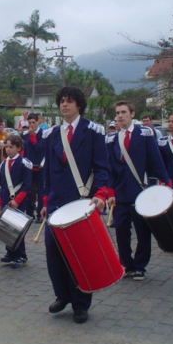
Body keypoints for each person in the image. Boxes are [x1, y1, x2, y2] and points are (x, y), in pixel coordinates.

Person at [40, 87, 110, 324]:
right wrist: (45, 200)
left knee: (81, 253)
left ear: (79, 105)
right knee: (54, 251)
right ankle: (62, 295)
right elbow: (48, 171)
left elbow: (102, 167)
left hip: (82, 200)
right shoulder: (52, 134)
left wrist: (101, 193)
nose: (64, 105)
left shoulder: (93, 131)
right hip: (57, 201)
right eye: (61, 101)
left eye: (69, 101)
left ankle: (81, 303)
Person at [106, 101, 170, 281]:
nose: (119, 116)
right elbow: (110, 168)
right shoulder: (111, 139)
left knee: (143, 231)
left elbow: (155, 159)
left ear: (132, 114)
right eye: (117, 113)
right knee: (121, 232)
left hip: (141, 191)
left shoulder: (145, 134)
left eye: (123, 112)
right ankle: (126, 265)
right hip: (120, 192)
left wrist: (166, 181)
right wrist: (110, 192)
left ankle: (140, 265)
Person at [0, 134, 32, 268]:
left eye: (11, 147)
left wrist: (17, 200)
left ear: (18, 148)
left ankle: (21, 256)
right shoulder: (3, 165)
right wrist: (0, 203)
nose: (8, 150)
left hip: (19, 201)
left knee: (17, 229)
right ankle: (10, 253)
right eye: (6, 147)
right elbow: (2, 186)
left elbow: (27, 186)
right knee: (7, 227)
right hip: (6, 199)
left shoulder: (24, 163)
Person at [21, 113, 46, 222]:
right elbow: (24, 150)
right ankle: (30, 213)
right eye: (29, 123)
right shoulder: (24, 135)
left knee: (41, 191)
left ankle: (40, 213)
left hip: (40, 165)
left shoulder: (43, 134)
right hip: (28, 166)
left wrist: (32, 136)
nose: (31, 125)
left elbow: (39, 148)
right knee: (28, 190)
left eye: (33, 122)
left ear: (38, 122)